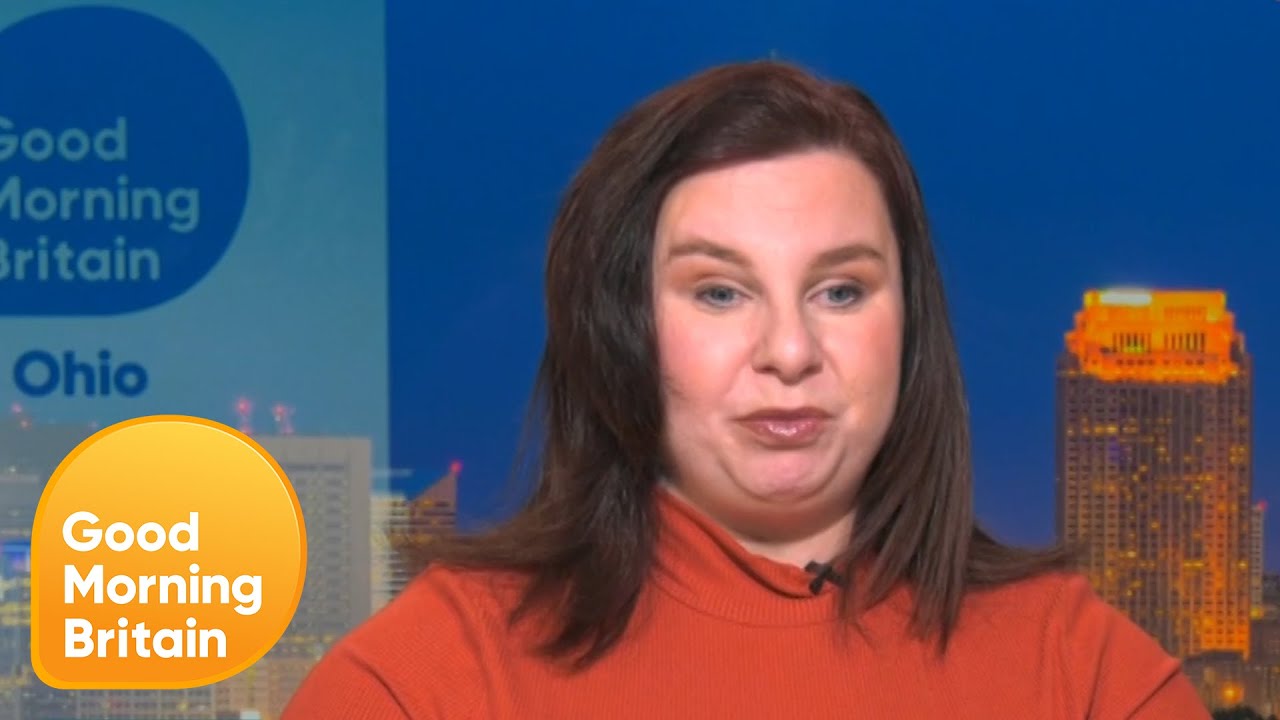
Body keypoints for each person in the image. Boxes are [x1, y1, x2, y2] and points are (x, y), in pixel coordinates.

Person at [283, 60, 1208, 719]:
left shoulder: (1090, 677)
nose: (790, 351)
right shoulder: (424, 683)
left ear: (910, 325)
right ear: (622, 327)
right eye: (720, 292)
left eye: (840, 291)